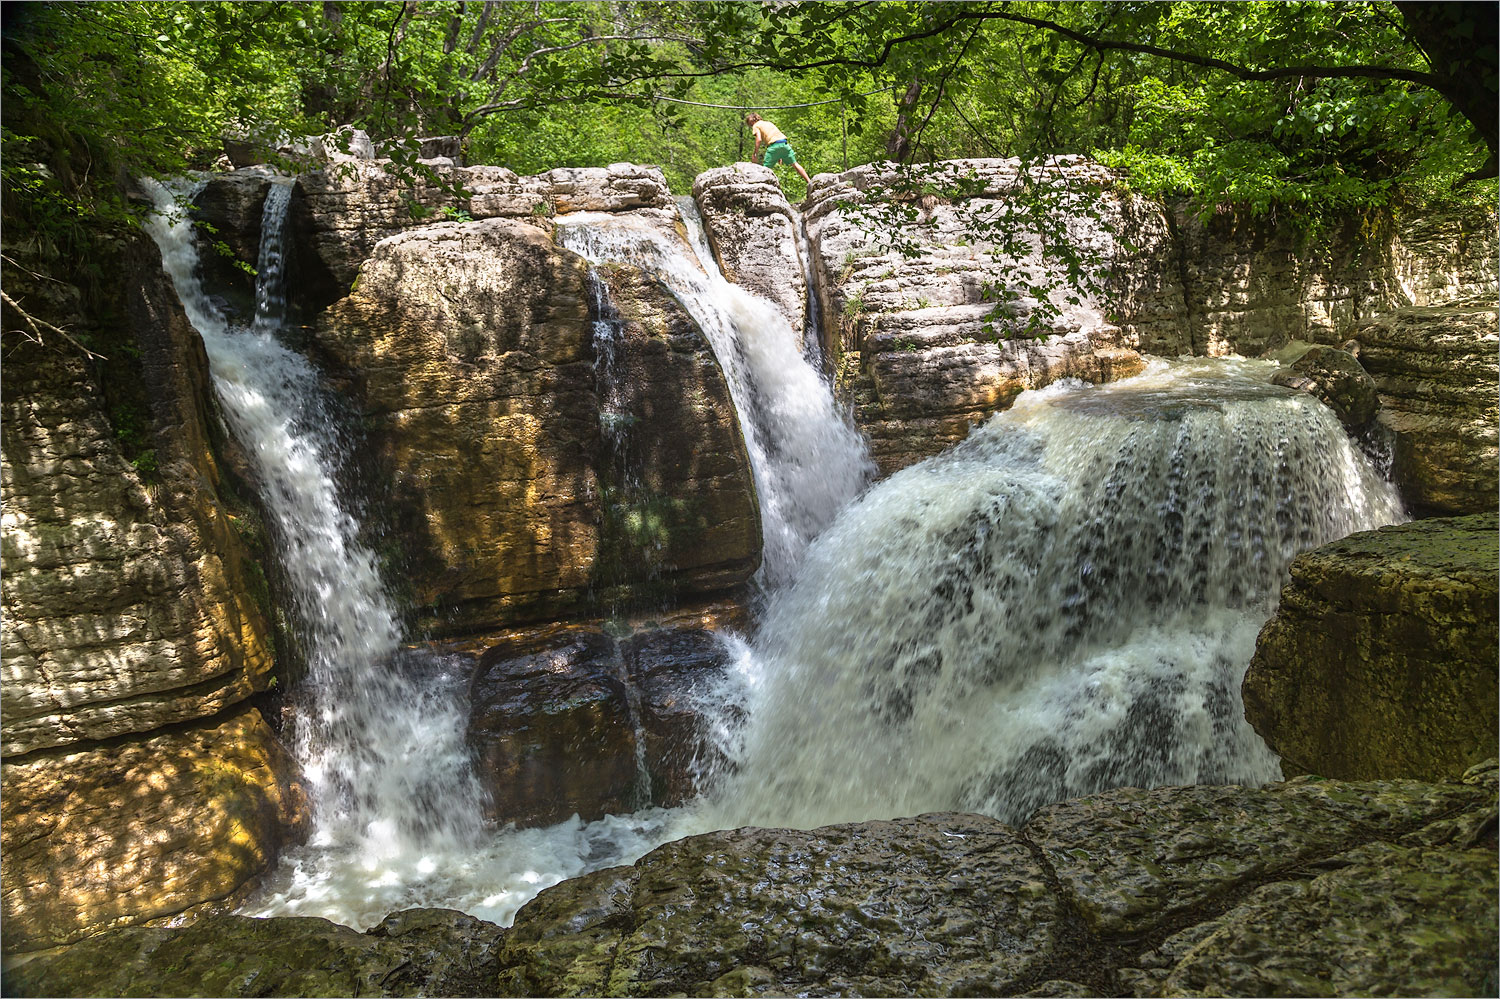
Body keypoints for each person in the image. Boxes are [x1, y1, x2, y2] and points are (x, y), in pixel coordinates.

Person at [745, 113, 811, 183]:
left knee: (765, 170)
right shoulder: (768, 123)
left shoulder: (756, 125)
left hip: (773, 146)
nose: (750, 126)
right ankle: (809, 182)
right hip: (784, 144)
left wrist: (755, 153)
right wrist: (779, 155)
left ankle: (762, 186)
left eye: (750, 124)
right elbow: (775, 135)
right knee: (795, 164)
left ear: (752, 121)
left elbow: (759, 139)